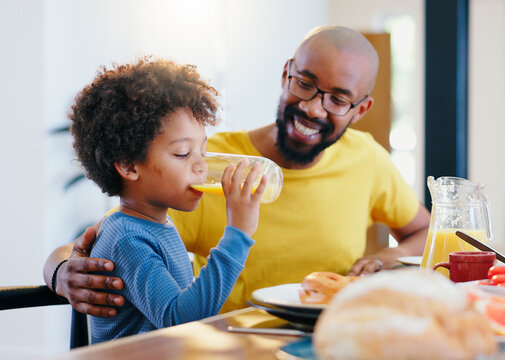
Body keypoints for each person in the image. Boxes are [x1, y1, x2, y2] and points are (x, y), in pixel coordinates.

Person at [43, 26, 431, 316]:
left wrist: (383, 260)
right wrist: (61, 271)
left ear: (360, 110)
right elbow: (104, 241)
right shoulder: (201, 169)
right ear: (286, 75)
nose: (314, 108)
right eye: (305, 84)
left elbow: (424, 231)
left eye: (337, 99)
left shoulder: (367, 159)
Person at [66, 57, 266, 342]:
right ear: (129, 166)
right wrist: (238, 235)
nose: (201, 166)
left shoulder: (158, 223)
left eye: (203, 151)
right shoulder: (127, 237)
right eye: (183, 154)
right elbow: (180, 319)